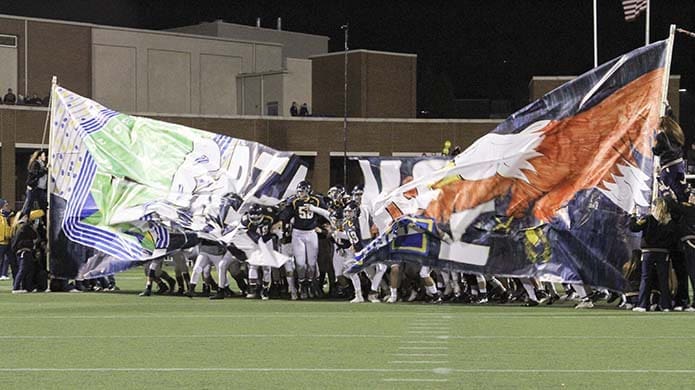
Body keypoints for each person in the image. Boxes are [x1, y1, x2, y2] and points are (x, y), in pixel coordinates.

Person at [630, 198, 675, 312]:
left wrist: (633, 216)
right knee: (663, 279)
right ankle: (666, 305)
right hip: (663, 252)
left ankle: (642, 305)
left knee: (645, 278)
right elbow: (673, 237)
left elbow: (634, 228)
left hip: (648, 252)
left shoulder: (648, 219)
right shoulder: (669, 221)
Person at [652, 116, 686, 202]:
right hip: (679, 165)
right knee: (680, 190)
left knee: (664, 191)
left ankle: (666, 211)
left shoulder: (661, 136)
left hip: (669, 166)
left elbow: (656, 151)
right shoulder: (676, 134)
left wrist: (653, 145)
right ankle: (683, 210)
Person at [21, 150, 48, 217]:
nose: (45, 157)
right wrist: (45, 170)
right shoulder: (35, 164)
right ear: (39, 157)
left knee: (43, 205)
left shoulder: (42, 164)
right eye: (44, 155)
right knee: (29, 205)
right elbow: (36, 174)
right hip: (34, 187)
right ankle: (24, 219)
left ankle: (44, 220)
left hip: (40, 188)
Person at [0, 199, 15, 281]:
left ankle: (4, 273)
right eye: (6, 205)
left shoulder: (10, 215)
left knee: (9, 259)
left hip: (8, 240)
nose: (7, 207)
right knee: (1, 259)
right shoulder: (2, 216)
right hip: (1, 241)